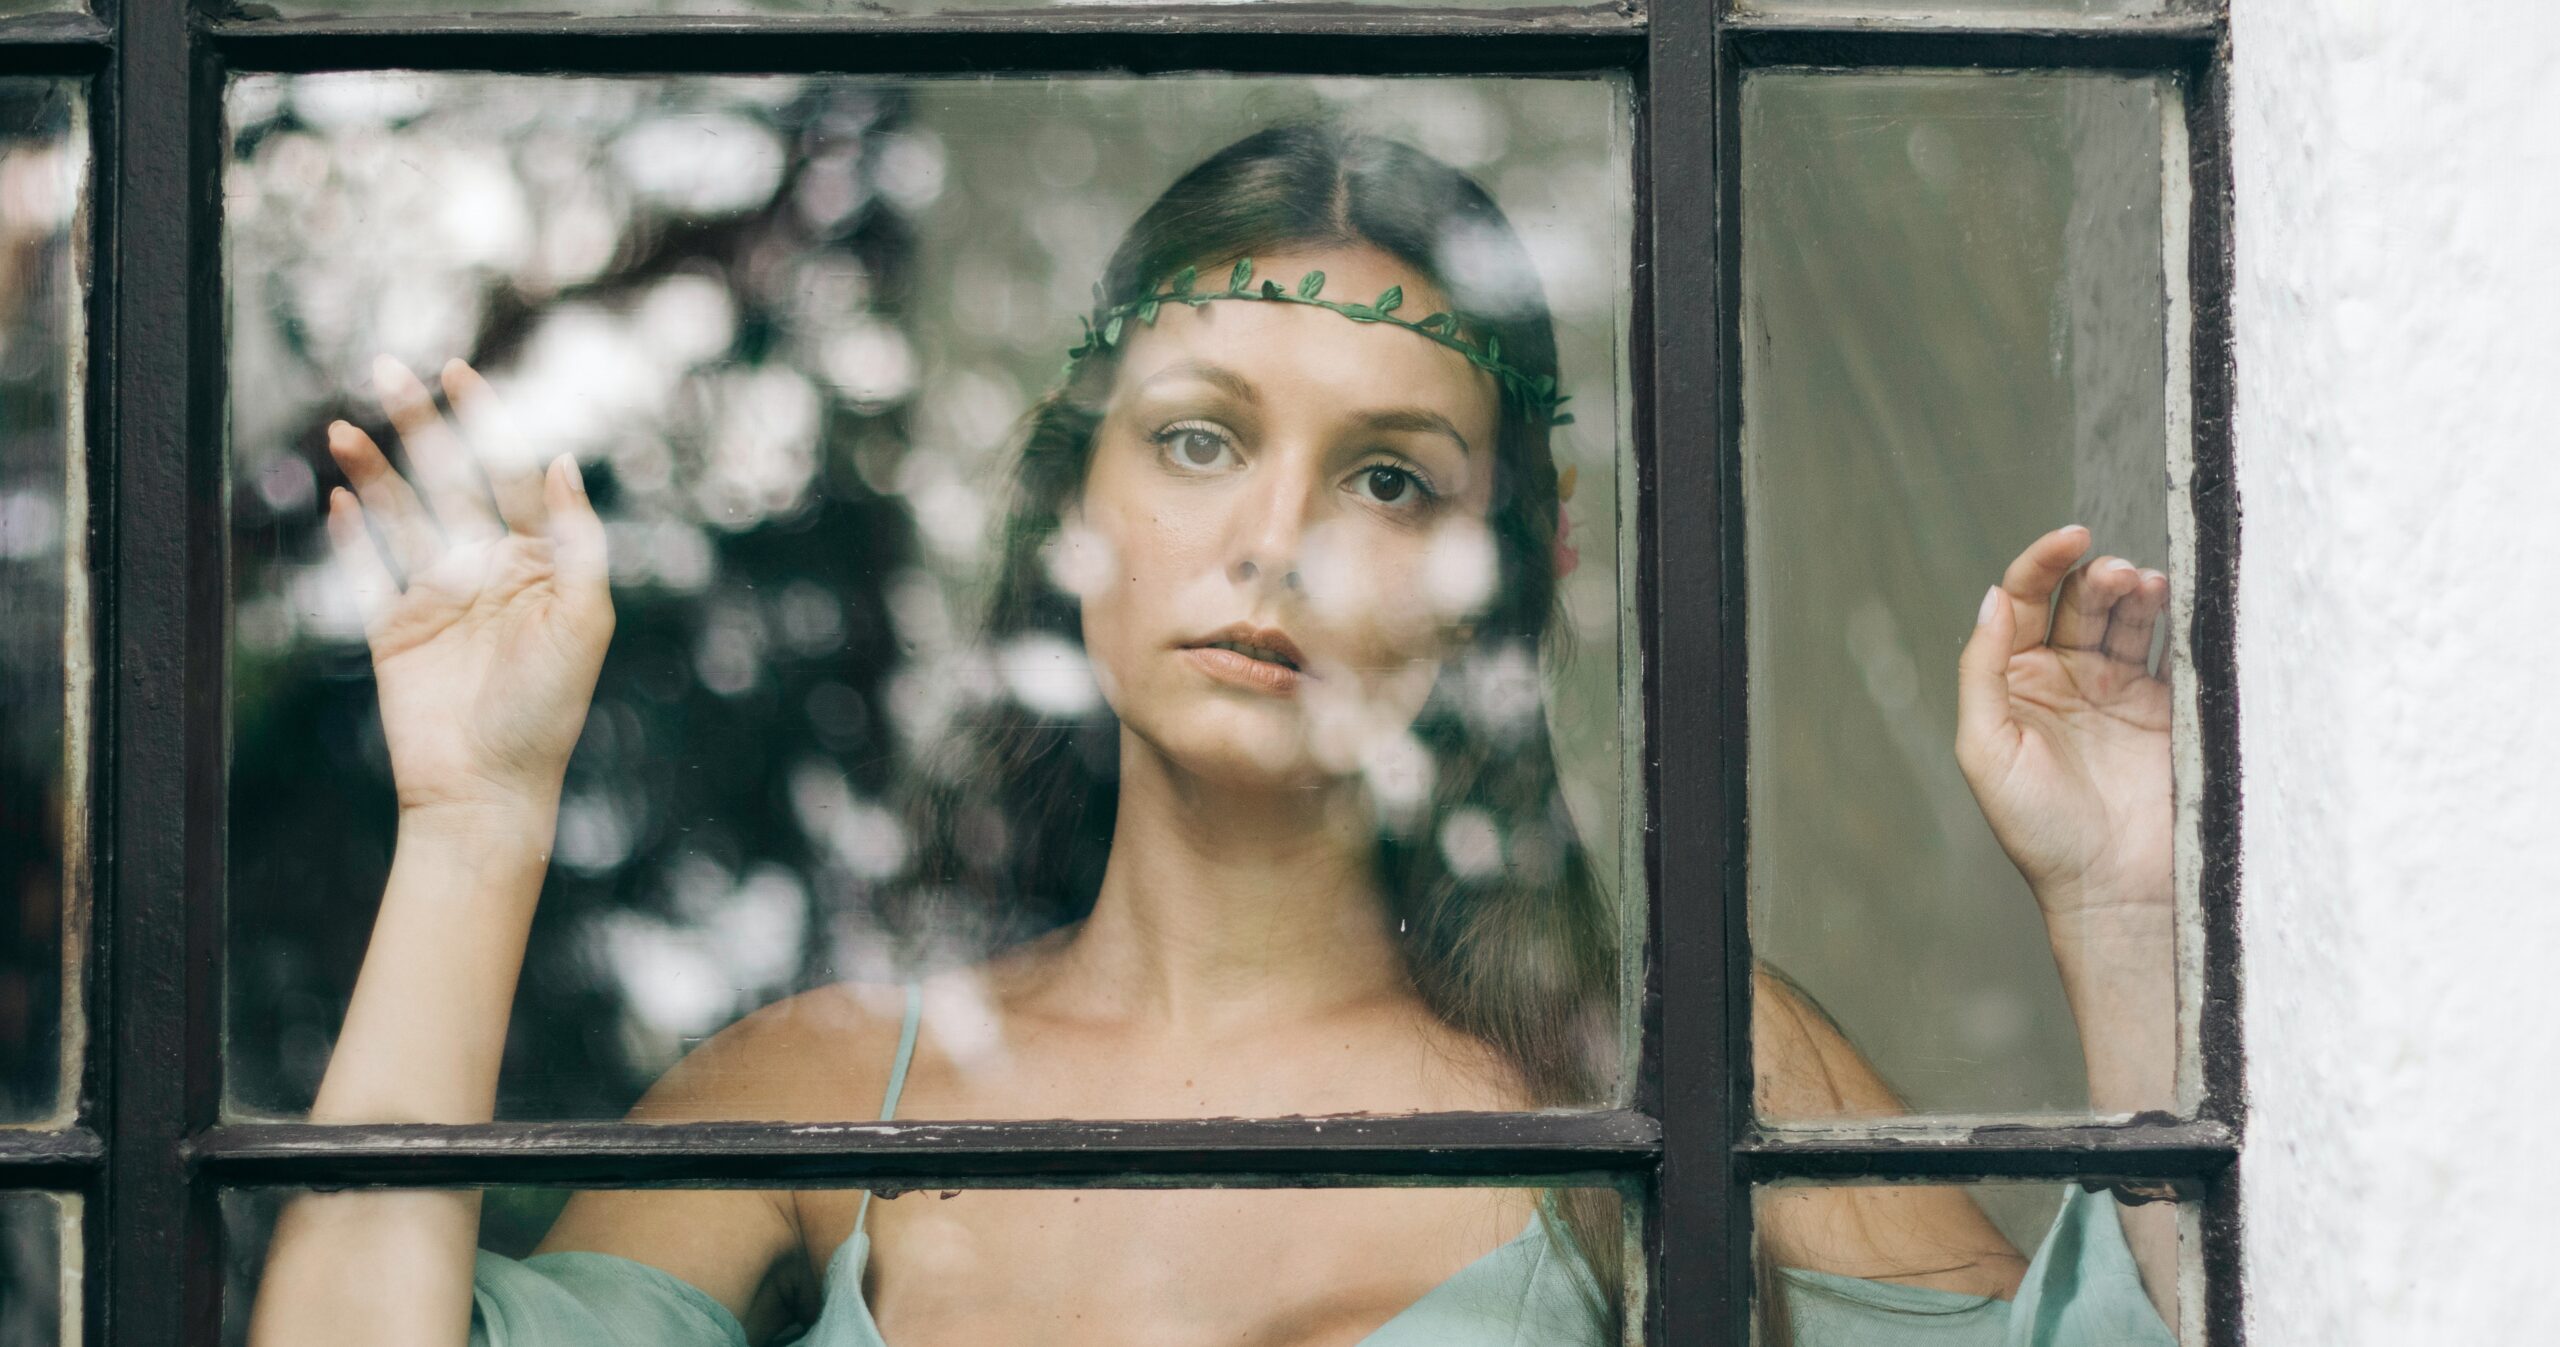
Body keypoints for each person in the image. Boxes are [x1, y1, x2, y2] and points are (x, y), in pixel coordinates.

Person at [245, 123, 2179, 1347]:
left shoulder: (1669, 1056)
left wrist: (2122, 907)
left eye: (1395, 481)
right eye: (1198, 438)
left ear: (1513, 572)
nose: (1276, 538)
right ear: (1069, 506)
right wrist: (478, 810)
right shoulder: (824, 1095)